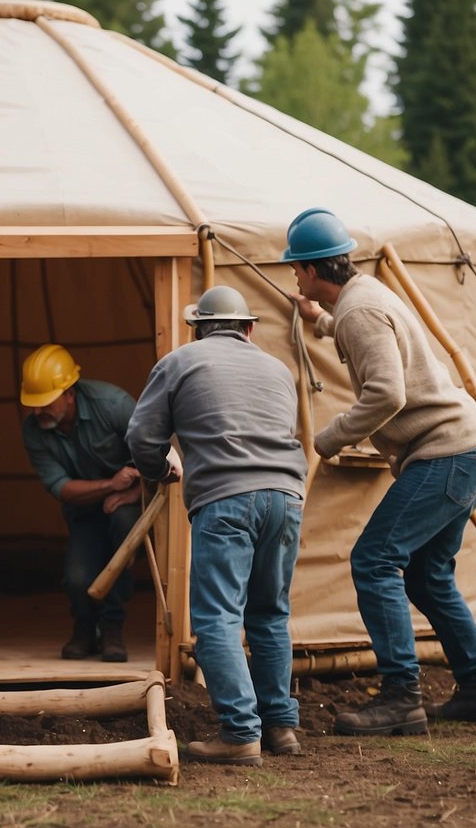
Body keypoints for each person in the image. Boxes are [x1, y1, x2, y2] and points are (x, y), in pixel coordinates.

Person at [284, 207, 476, 736]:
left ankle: (400, 697)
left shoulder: (360, 311)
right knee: (428, 578)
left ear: (315, 271)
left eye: (297, 268)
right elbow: (368, 333)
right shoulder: (367, 297)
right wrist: (320, 321)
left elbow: (387, 392)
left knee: (374, 559)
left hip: (445, 453)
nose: (294, 276)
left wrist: (330, 437)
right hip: (468, 450)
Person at [126, 286, 307, 766]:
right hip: (287, 497)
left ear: (199, 328)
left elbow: (142, 436)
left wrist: (160, 469)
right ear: (248, 329)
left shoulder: (181, 361)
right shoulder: (278, 369)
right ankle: (281, 727)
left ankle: (241, 733)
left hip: (226, 500)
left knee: (218, 618)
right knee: (270, 615)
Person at [18, 344, 147, 662]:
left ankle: (112, 628)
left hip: (131, 502)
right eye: (32, 405)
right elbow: (60, 487)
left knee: (123, 537)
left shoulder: (113, 405)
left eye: (45, 403)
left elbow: (157, 454)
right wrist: (110, 486)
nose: (38, 412)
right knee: (77, 578)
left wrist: (133, 493)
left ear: (69, 393)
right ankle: (85, 629)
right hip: (84, 510)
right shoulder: (34, 431)